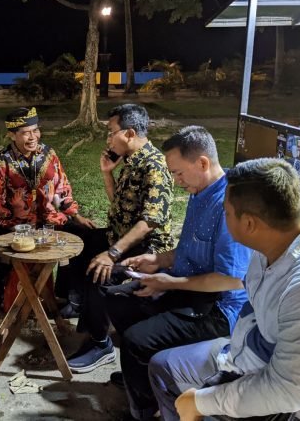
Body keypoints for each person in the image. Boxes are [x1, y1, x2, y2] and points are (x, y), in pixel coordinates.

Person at [149, 158, 300, 421]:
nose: (224, 219)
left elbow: (284, 391)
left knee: (198, 404)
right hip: (254, 356)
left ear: (249, 224)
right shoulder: (276, 245)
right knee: (164, 367)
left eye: (226, 213)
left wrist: (201, 402)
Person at [70, 126, 252, 421]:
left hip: (217, 307)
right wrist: (157, 260)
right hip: (186, 286)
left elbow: (231, 279)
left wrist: (170, 282)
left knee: (136, 339)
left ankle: (146, 409)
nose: (176, 181)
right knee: (115, 297)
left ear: (202, 163)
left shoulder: (229, 205)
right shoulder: (200, 191)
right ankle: (142, 376)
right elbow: (191, 249)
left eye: (178, 173)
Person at [67, 103, 176, 372]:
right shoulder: (132, 160)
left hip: (146, 248)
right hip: (122, 237)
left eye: (111, 132)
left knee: (101, 270)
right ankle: (80, 307)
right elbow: (120, 204)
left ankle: (101, 344)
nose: (108, 139)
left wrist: (112, 253)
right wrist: (107, 173)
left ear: (129, 133)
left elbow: (149, 222)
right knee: (79, 240)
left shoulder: (154, 166)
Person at [0, 107, 96, 311]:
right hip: (17, 226)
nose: (33, 137)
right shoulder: (1, 163)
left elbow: (62, 188)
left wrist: (75, 215)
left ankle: (70, 298)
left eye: (35, 130)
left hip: (50, 222)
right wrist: (16, 228)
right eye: (25, 133)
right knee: (2, 257)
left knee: (85, 237)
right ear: (12, 135)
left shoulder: (49, 154)